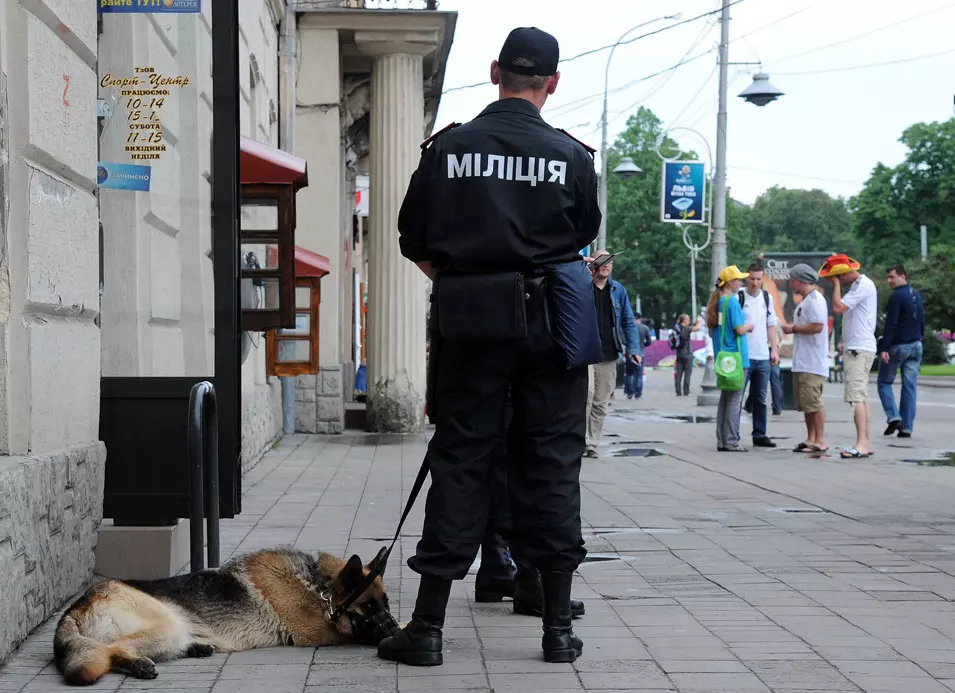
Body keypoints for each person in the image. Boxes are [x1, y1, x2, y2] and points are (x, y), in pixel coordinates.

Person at [382, 27, 601, 667]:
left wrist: (468, 284)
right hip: (550, 330)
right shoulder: (572, 157)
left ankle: (425, 630)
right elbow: (579, 238)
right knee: (553, 465)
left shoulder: (448, 149)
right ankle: (556, 630)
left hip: (470, 326)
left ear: (494, 71)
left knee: (460, 461)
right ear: (552, 83)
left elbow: (412, 238)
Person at [584, 249, 642, 458]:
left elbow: (628, 321)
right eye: (603, 260)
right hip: (585, 352)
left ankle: (592, 443)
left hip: (608, 353)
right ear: (593, 263)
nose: (608, 265)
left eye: (611, 261)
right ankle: (579, 440)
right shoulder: (583, 286)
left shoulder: (618, 290)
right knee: (587, 396)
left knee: (601, 401)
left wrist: (634, 349)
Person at [823, 254, 878, 458]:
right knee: (861, 397)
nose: (841, 281)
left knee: (855, 397)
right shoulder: (859, 286)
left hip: (859, 349)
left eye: (839, 277)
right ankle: (866, 442)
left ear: (844, 273)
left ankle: (861, 444)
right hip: (858, 346)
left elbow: (838, 308)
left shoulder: (862, 285)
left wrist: (835, 285)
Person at [782, 264, 829, 453]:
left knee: (814, 402)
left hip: (812, 362)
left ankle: (820, 440)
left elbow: (817, 326)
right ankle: (810, 438)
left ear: (800, 280)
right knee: (806, 403)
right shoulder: (806, 301)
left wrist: (793, 329)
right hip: (802, 360)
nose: (791, 284)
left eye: (793, 280)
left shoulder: (815, 300)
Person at [706, 266, 753, 452]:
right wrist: (750, 326)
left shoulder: (716, 303)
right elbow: (739, 329)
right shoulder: (732, 302)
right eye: (739, 280)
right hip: (736, 357)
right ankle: (732, 440)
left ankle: (722, 439)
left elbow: (712, 332)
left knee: (725, 399)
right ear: (731, 283)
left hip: (722, 358)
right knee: (735, 400)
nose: (741, 283)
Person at [878, 264, 925, 439]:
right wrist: (920, 340)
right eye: (888, 277)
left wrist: (884, 348)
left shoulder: (896, 297)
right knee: (910, 387)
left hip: (899, 346)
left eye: (892, 277)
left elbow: (891, 324)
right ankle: (907, 427)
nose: (889, 281)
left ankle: (894, 416)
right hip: (916, 345)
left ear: (902, 276)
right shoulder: (916, 294)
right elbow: (921, 320)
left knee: (884, 382)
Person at [738, 263, 780, 448]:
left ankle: (759, 434)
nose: (755, 283)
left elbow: (771, 325)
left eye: (758, 279)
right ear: (747, 278)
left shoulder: (767, 298)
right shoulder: (738, 297)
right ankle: (733, 433)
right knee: (737, 397)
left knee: (760, 398)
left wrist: (774, 350)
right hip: (744, 355)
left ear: (763, 279)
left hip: (763, 355)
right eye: (752, 279)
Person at [624, 313, 652, 399]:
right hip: (640, 352)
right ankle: (638, 394)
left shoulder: (627, 328)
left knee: (629, 373)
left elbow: (623, 340)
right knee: (638, 374)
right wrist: (642, 345)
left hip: (629, 352)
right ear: (640, 318)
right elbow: (649, 341)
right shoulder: (644, 328)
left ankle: (629, 393)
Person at [673, 314, 702, 396]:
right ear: (684, 320)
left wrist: (693, 323)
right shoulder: (686, 329)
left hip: (679, 354)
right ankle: (686, 391)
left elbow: (690, 327)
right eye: (688, 319)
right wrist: (700, 322)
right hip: (687, 355)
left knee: (678, 374)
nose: (689, 320)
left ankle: (678, 392)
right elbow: (697, 328)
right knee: (687, 374)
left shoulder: (678, 328)